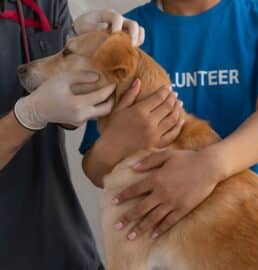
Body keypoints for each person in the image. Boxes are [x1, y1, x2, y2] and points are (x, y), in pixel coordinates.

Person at [80, 0, 258, 242]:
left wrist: (209, 166)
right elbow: (95, 170)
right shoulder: (125, 38)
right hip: (162, 247)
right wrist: (116, 143)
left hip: (251, 239)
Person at [0, 1, 150, 269]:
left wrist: (77, 42)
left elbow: (67, 115)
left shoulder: (47, 3)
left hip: (62, 246)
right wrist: (28, 115)